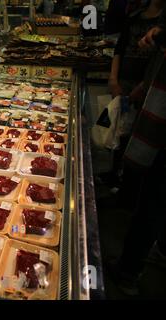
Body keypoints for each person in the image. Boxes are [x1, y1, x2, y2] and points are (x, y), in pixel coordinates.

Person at [109, 11, 166, 296]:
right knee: (153, 195)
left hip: (159, 117)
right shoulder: (136, 16)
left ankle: (129, 270)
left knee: (154, 196)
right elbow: (121, 45)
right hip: (151, 97)